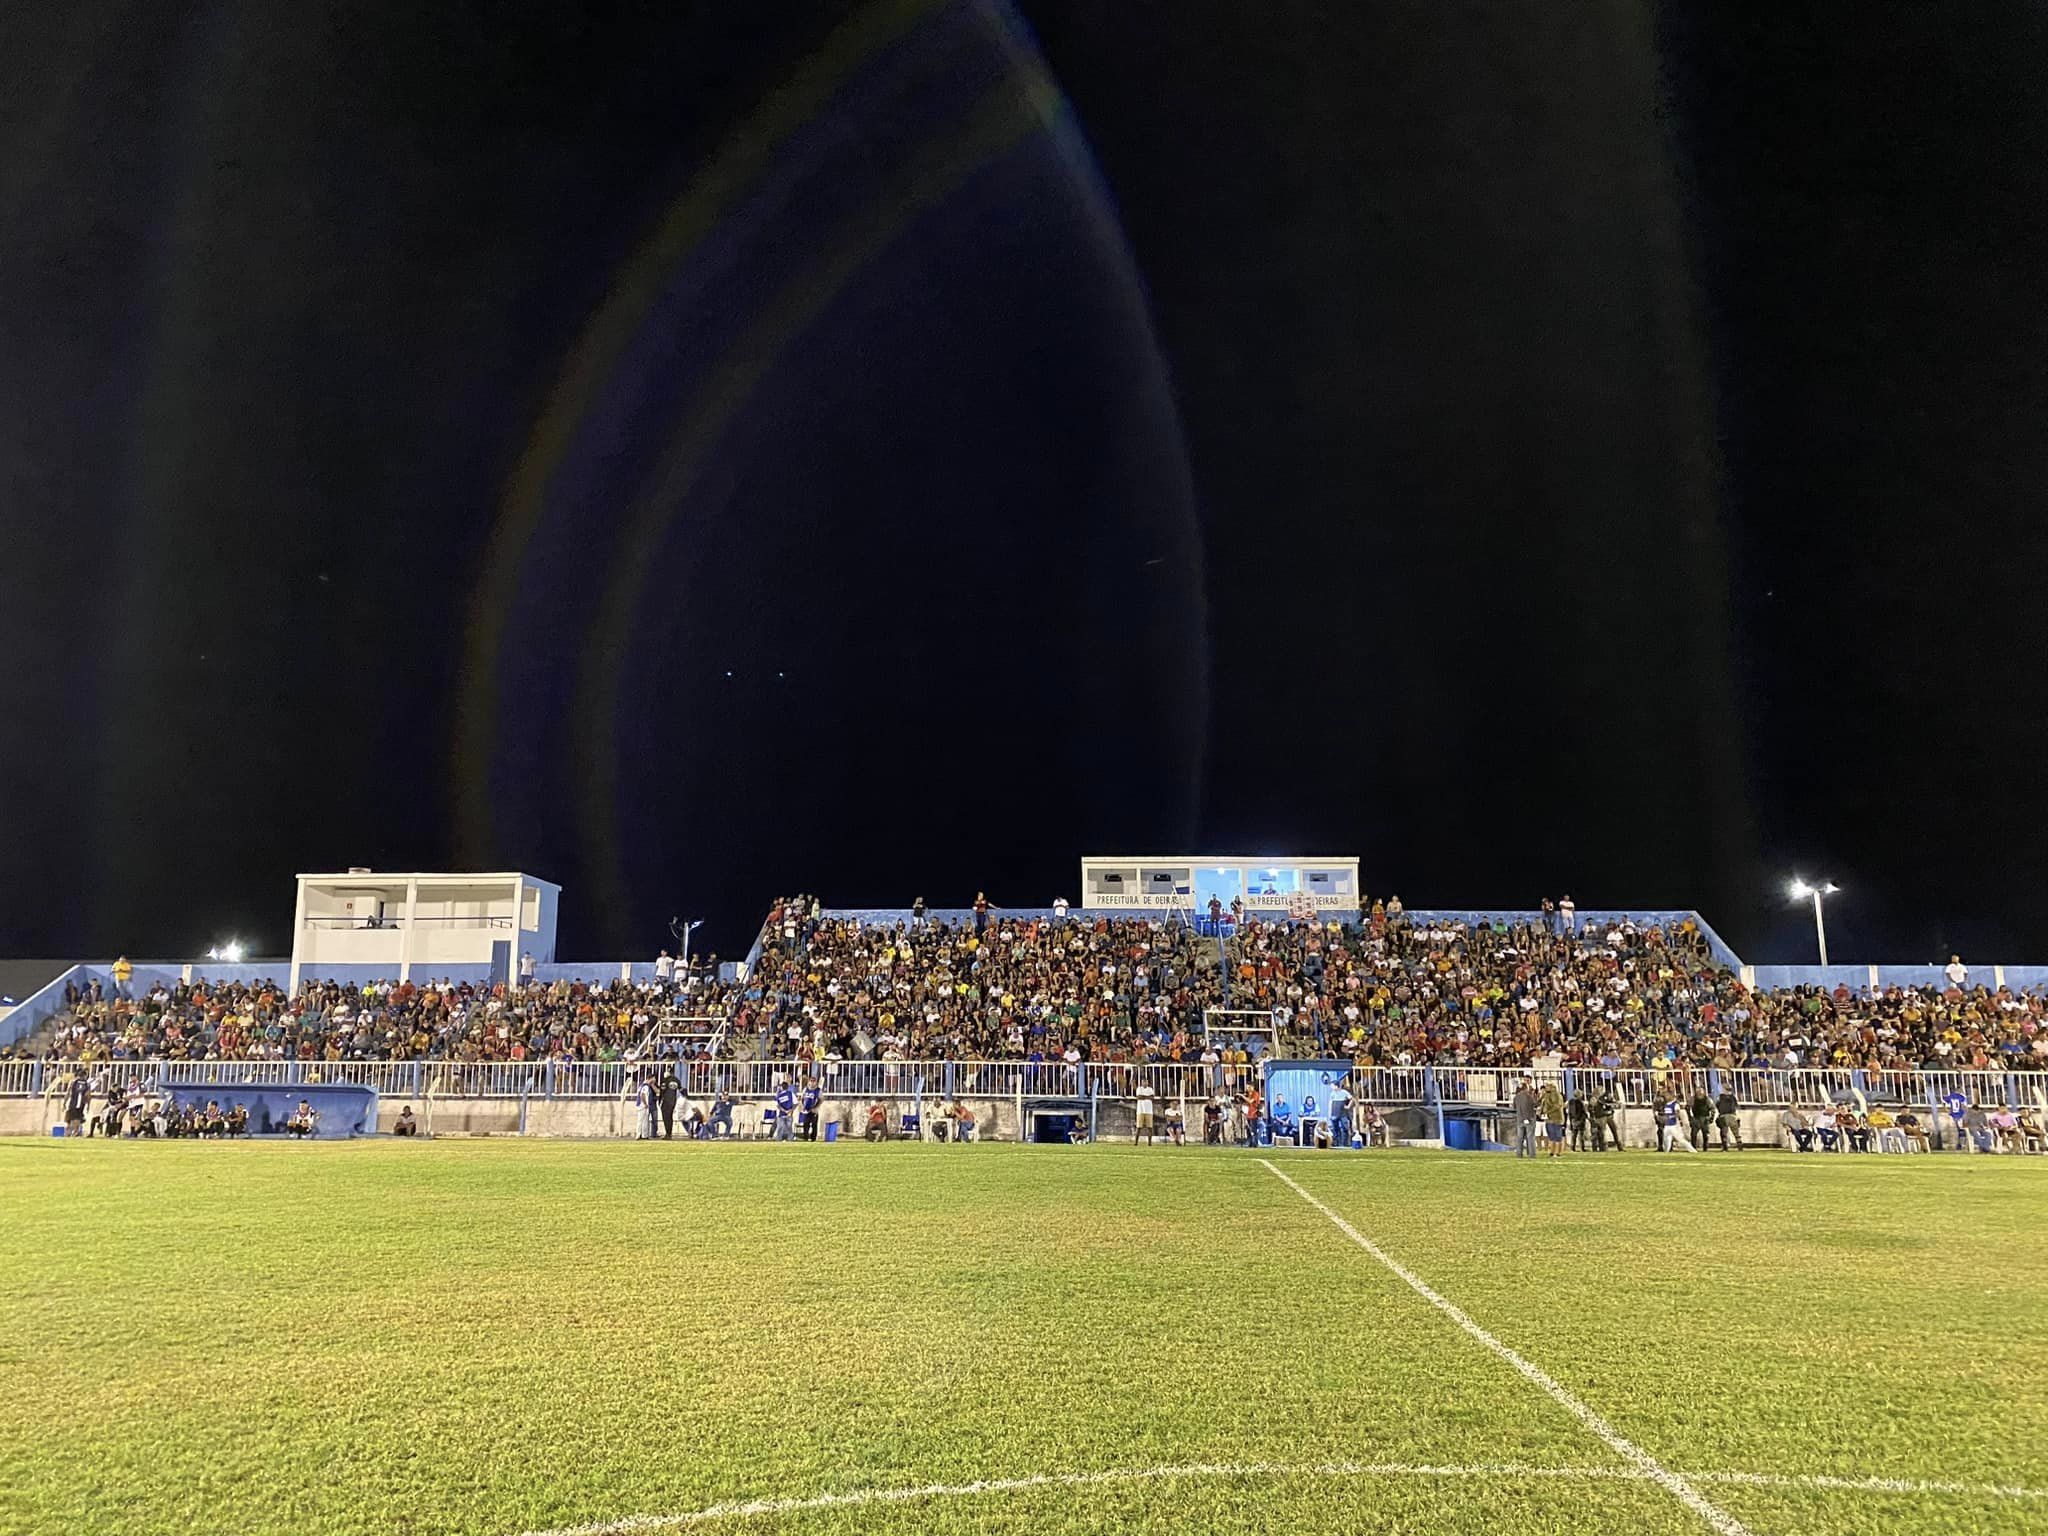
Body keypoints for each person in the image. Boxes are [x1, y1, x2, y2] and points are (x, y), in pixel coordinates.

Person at [1511, 1077, 1539, 1159]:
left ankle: (1519, 1154)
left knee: (1519, 1137)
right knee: (1530, 1137)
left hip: (1520, 1119)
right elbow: (1535, 1104)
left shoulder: (1516, 1097)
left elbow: (1514, 1107)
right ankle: (1531, 1154)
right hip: (1529, 1118)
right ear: (1526, 1088)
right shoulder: (1529, 1097)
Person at [1538, 1080, 1566, 1158]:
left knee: (1557, 1136)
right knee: (1551, 1135)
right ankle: (1552, 1151)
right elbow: (1541, 1103)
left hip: (1556, 1118)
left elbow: (1557, 1105)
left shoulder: (1557, 1095)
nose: (1546, 1087)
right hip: (1548, 1118)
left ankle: (1558, 1152)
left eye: (1547, 1086)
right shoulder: (1546, 1095)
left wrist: (1548, 1112)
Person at [62, 1072, 89, 1137]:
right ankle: (75, 1133)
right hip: (81, 1104)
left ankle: (67, 1133)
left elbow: (68, 1092)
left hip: (72, 1103)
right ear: (85, 1076)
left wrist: (64, 1103)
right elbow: (88, 1095)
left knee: (70, 1119)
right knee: (78, 1119)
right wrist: (88, 1105)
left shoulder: (73, 1082)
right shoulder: (87, 1084)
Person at [1715, 1086, 1741, 1151]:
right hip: (1732, 1116)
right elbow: (1736, 1106)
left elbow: (1717, 1105)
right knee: (1736, 1133)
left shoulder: (1720, 1097)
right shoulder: (1733, 1097)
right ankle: (1740, 1146)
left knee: (1724, 1133)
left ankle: (1725, 1147)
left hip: (1723, 1116)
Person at [658, 1068, 681, 1140]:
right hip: (673, 1100)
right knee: (670, 1117)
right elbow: (681, 1089)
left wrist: (659, 1100)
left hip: (666, 1101)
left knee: (666, 1118)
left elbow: (662, 1090)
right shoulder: (677, 1080)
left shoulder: (666, 1080)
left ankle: (668, 1134)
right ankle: (669, 1133)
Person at [772, 1077, 796, 1141]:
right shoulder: (791, 1094)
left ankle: (779, 1139)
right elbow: (796, 1103)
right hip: (789, 1113)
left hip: (781, 1114)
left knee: (780, 1127)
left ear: (781, 1087)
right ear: (788, 1087)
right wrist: (791, 1110)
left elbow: (777, 1105)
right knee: (789, 1128)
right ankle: (790, 1139)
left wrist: (783, 1110)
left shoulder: (778, 1095)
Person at [1135, 1079, 1156, 1145]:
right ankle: (1136, 1142)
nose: (1145, 1083)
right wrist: (1147, 1097)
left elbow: (1152, 1097)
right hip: (1140, 1110)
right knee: (1138, 1127)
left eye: (1146, 1082)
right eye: (1143, 1082)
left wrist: (1144, 1097)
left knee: (1150, 1127)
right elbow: (1138, 1097)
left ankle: (1149, 1142)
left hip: (1149, 1110)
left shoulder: (1150, 1089)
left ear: (1147, 1082)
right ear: (1141, 1082)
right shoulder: (1139, 1088)